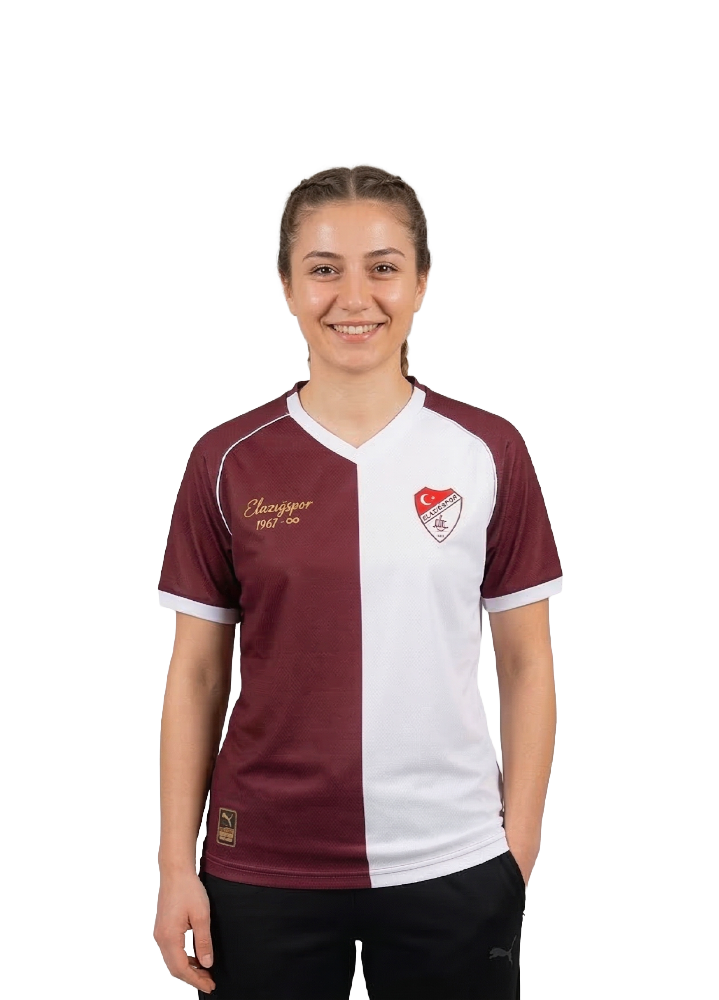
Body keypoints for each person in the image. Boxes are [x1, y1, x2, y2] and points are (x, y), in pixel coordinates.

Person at [153, 164, 562, 999]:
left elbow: (527, 664)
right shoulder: (227, 459)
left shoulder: (488, 451)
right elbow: (195, 675)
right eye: (323, 268)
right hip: (262, 867)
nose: (354, 297)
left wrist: (515, 853)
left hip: (452, 861)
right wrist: (173, 866)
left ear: (421, 282)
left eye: (382, 267)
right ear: (286, 284)